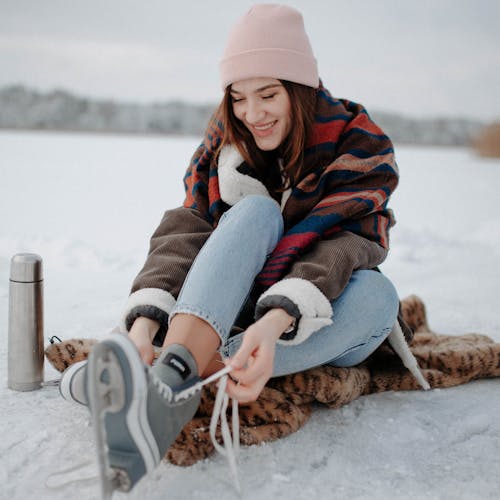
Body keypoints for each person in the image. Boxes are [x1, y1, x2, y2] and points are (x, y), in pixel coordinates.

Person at [65, 3, 427, 494]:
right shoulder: (225, 146)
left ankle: (167, 378)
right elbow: (188, 231)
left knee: (378, 297)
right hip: (232, 308)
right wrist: (145, 324)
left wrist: (276, 319)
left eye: (268, 95)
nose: (252, 114)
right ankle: (171, 378)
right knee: (256, 213)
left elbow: (349, 245)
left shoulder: (358, 144)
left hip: (322, 316)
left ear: (299, 88)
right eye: (238, 98)